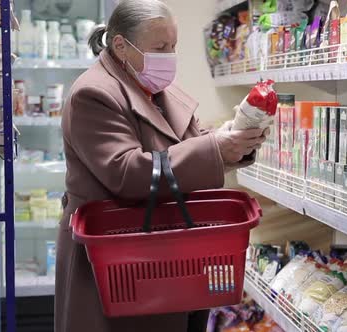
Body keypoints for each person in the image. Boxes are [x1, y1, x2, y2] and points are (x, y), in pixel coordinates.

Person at [55, 1, 267, 331]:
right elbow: (127, 173)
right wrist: (214, 148)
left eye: (173, 46)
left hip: (163, 253)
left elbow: (192, 140)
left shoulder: (153, 87)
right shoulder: (93, 94)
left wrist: (234, 139)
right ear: (121, 45)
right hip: (115, 262)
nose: (169, 56)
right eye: (160, 47)